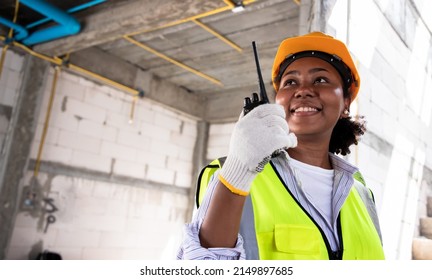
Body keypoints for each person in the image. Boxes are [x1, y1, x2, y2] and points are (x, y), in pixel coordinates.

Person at [177, 32, 385, 260]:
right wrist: (238, 172)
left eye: (321, 80)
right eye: (291, 82)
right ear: (276, 102)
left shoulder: (363, 194)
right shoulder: (228, 175)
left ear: (346, 101)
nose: (303, 89)